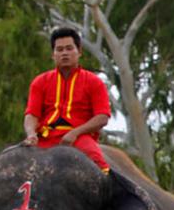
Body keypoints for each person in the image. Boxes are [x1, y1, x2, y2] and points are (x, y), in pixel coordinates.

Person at [22, 27, 112, 172]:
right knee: (13, 168)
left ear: (79, 52)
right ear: (53, 54)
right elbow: (32, 114)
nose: (64, 53)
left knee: (99, 167)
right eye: (59, 49)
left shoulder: (94, 82)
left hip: (79, 139)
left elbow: (102, 117)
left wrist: (74, 133)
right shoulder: (40, 82)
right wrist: (31, 134)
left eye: (69, 48)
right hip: (45, 138)